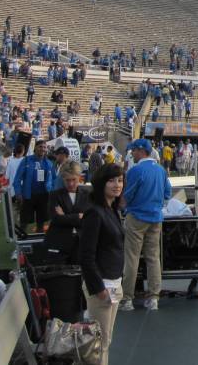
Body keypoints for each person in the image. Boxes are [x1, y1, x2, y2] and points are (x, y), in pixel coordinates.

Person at [79, 164, 125, 365]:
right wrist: (99, 289)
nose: (117, 185)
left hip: (114, 282)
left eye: (120, 180)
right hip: (102, 285)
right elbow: (86, 256)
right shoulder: (95, 213)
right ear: (101, 183)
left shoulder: (112, 209)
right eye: (112, 180)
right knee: (99, 344)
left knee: (106, 340)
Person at [120, 139, 172, 312]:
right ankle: (153, 297)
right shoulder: (161, 170)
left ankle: (127, 298)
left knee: (132, 258)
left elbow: (127, 195)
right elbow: (167, 193)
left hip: (137, 216)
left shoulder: (135, 170)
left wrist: (122, 207)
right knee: (153, 258)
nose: (132, 154)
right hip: (155, 217)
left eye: (133, 151)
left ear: (141, 151)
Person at [45, 161, 89, 263]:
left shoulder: (87, 195)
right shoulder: (55, 195)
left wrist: (65, 216)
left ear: (79, 177)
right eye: (67, 180)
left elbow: (89, 219)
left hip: (80, 243)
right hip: (59, 243)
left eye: (74, 179)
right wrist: (78, 216)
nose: (71, 183)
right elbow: (55, 218)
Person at [12, 141, 58, 233]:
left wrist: (52, 192)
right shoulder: (26, 161)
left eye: (45, 147)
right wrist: (18, 193)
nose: (43, 149)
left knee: (41, 222)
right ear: (35, 148)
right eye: (40, 146)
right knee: (24, 222)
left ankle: (39, 244)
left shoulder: (49, 163)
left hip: (44, 196)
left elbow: (54, 179)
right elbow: (17, 179)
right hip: (28, 196)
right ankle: (21, 243)